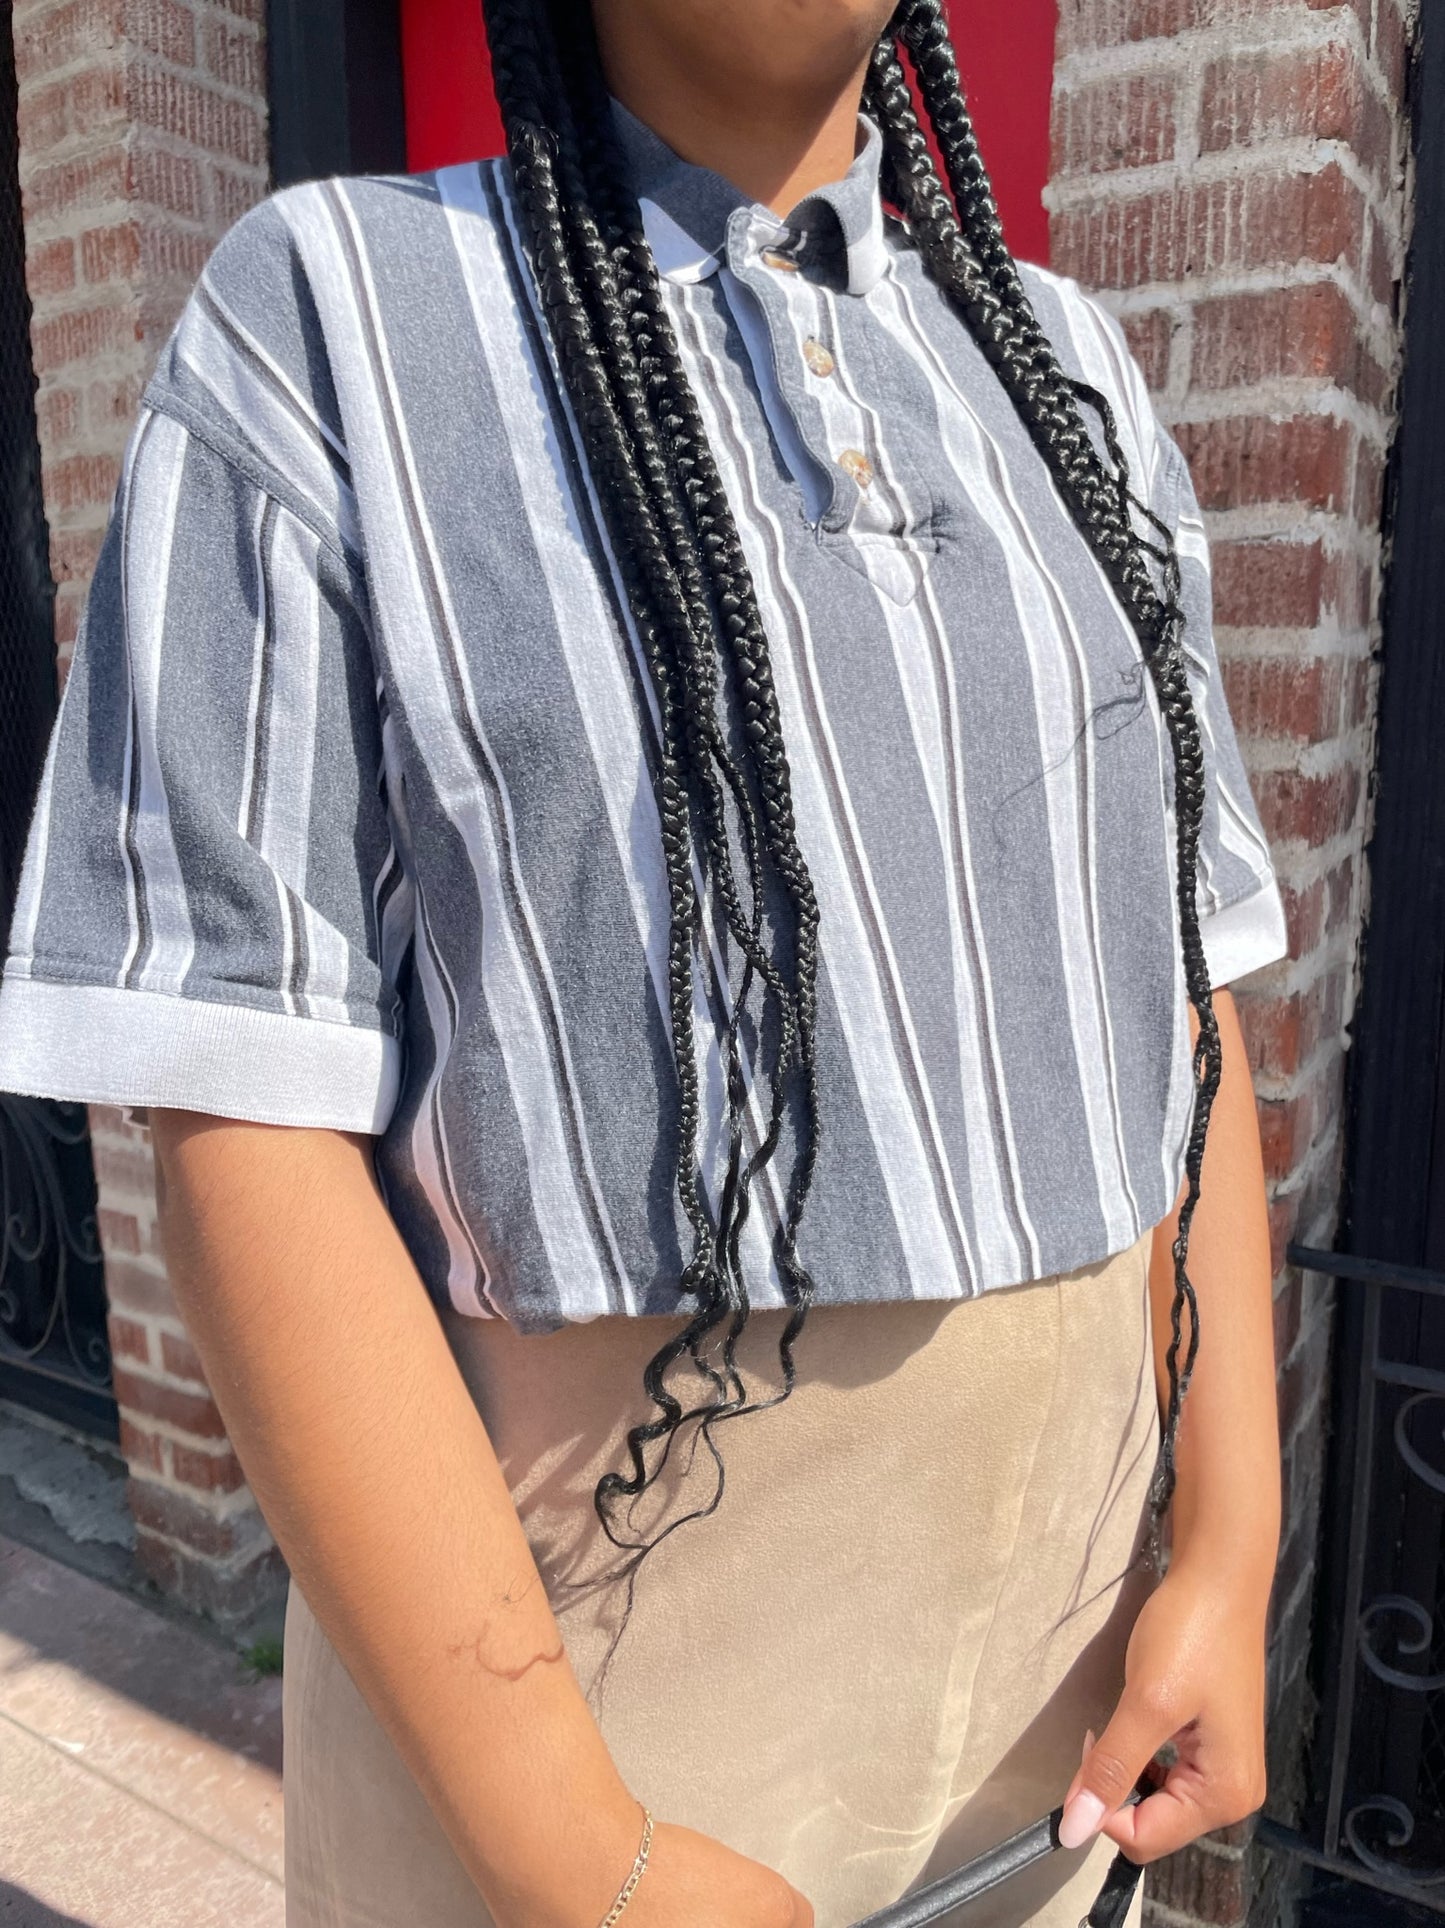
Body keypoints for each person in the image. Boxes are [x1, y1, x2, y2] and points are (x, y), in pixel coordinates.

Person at [0, 1, 1287, 1923]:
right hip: (581, 1731)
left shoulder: (1074, 379)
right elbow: (235, 1108)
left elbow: (1184, 997)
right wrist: (574, 1859)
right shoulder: (337, 319)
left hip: (1056, 1714)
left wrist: (1231, 1548)